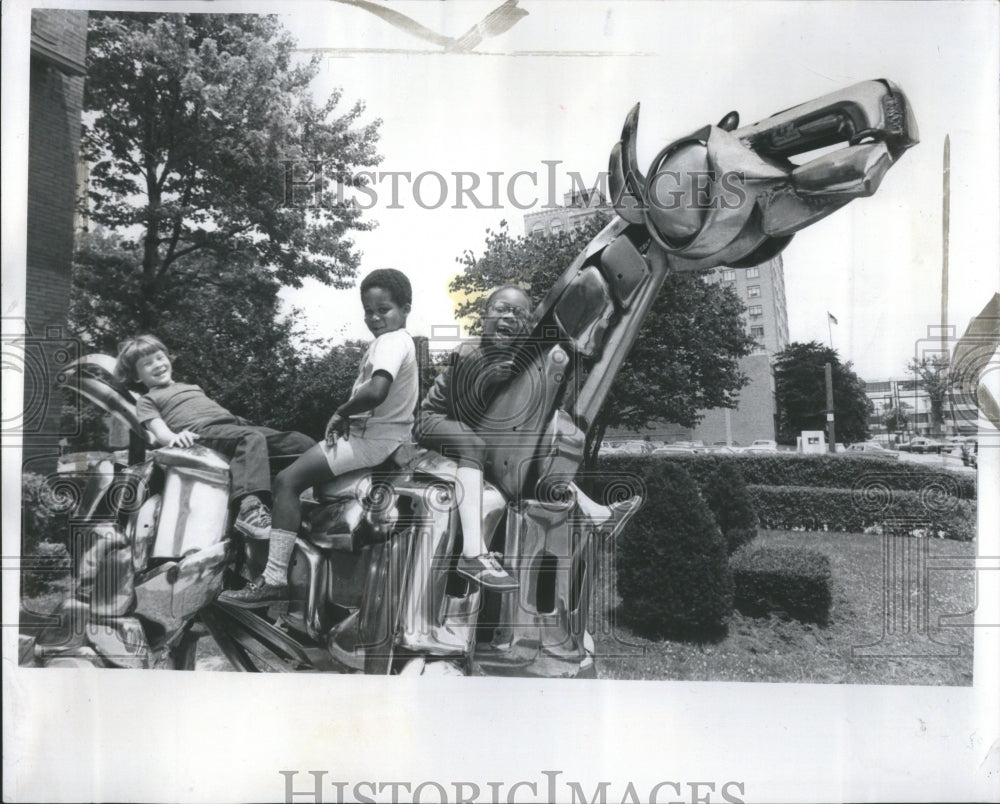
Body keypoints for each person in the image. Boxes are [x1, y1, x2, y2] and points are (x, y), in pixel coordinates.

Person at [417, 285, 641, 593]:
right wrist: (486, 380)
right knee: (474, 445)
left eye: (519, 314)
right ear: (485, 316)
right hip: (434, 420)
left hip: (469, 428)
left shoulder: (516, 360)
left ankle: (598, 514)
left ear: (526, 327)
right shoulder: (469, 351)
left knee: (535, 458)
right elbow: (458, 413)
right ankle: (472, 554)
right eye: (501, 309)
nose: (509, 316)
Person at [219, 269, 419, 607]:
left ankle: (274, 577)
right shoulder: (403, 343)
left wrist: (342, 412)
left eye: (383, 310)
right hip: (382, 439)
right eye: (368, 310)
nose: (374, 318)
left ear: (405, 309)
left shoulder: (391, 342)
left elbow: (378, 390)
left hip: (368, 442)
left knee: (286, 482)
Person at [115, 335, 316, 540]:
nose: (157, 365)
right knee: (250, 439)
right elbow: (159, 431)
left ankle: (312, 500)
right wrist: (175, 437)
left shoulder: (192, 387)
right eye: (147, 364)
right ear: (138, 376)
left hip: (234, 426)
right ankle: (248, 509)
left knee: (301, 442)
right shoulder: (148, 400)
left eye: (159, 357)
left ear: (168, 357)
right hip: (200, 432)